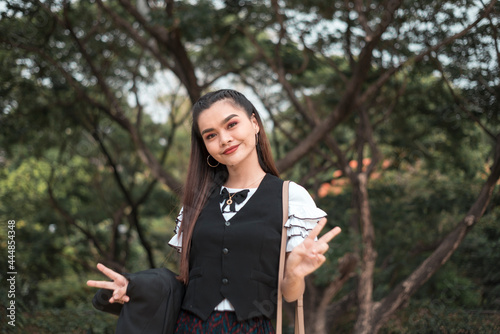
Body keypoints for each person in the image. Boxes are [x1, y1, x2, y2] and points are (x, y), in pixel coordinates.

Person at [87, 89, 341, 333]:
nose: (224, 139)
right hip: (190, 327)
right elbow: (186, 281)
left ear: (254, 123)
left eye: (231, 125)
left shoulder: (290, 197)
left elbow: (290, 293)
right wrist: (136, 287)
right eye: (210, 135)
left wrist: (295, 273)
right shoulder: (196, 203)